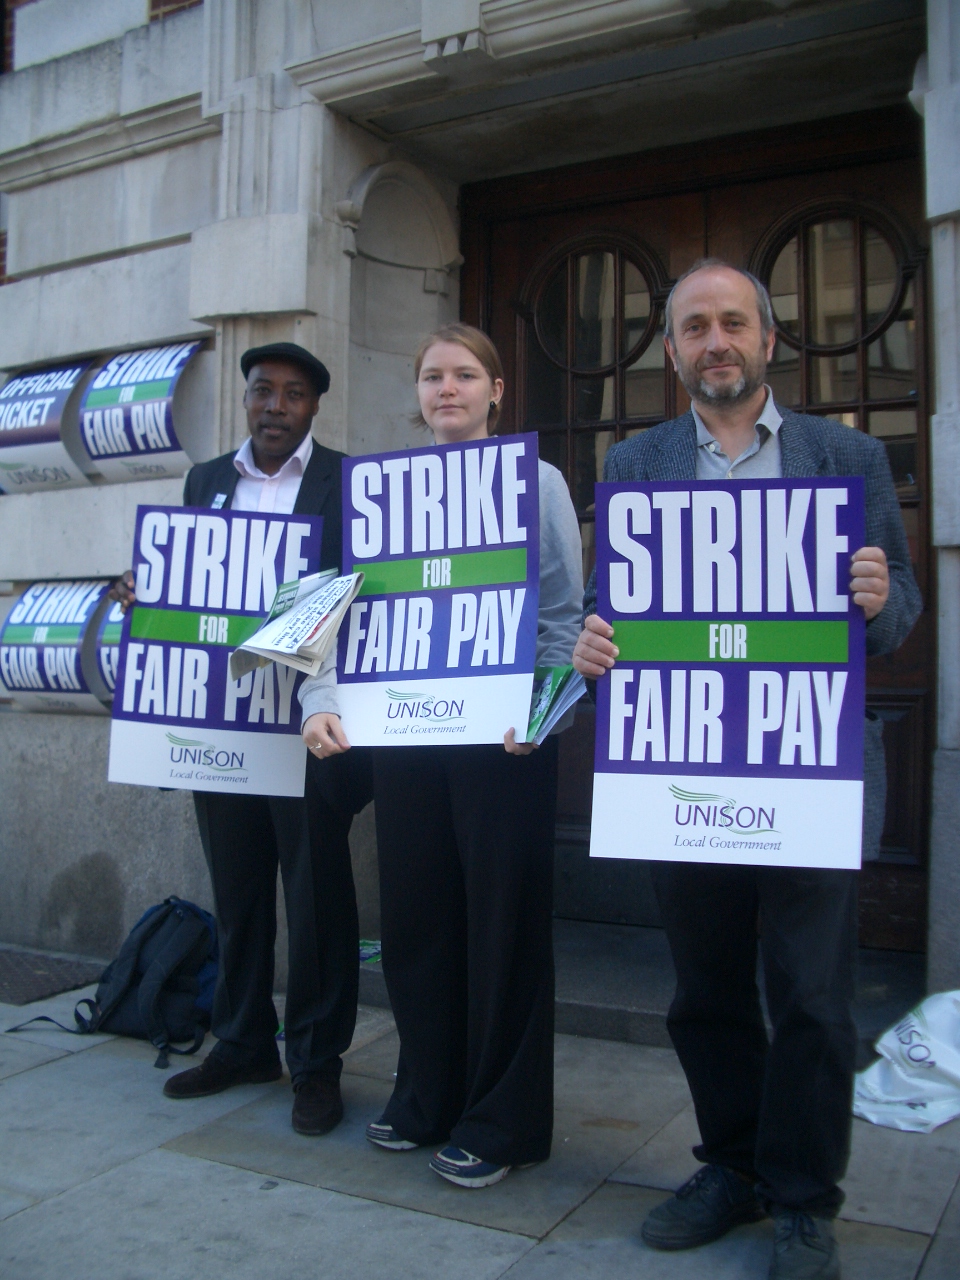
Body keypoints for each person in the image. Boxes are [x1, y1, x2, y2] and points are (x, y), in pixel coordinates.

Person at [573, 261, 921, 1280]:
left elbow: (901, 609)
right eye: (694, 326)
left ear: (769, 340)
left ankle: (806, 1196)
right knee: (705, 988)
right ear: (672, 349)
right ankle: (731, 1165)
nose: (714, 339)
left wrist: (872, 594)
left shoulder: (846, 455)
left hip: (807, 770)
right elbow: (612, 612)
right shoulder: (636, 464)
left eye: (733, 322)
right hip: (680, 773)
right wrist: (597, 650)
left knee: (813, 995)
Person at [300, 323, 584, 1187]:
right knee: (418, 921)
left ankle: (500, 1121)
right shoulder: (377, 492)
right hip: (406, 736)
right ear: (417, 392)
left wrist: (541, 716)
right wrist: (319, 703)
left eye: (465, 374)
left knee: (504, 927)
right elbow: (327, 614)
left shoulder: (537, 483)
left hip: (504, 740)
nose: (447, 388)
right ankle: (424, 1095)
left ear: (498, 390)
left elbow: (565, 620)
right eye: (432, 376)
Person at [113, 343, 372, 1136]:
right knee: (240, 893)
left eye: (294, 395)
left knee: (318, 901)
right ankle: (243, 1039)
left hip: (307, 727)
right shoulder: (205, 483)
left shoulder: (349, 485)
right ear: (247, 398)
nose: (275, 406)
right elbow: (190, 594)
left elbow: (368, 599)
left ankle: (318, 1065)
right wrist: (143, 598)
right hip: (223, 722)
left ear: (315, 407)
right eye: (263, 391)